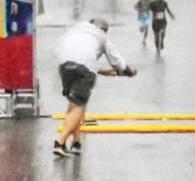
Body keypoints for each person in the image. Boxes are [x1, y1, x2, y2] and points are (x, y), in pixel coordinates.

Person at [54, 17, 137, 157]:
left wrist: (102, 70)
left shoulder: (76, 30)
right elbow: (118, 63)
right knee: (79, 105)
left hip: (64, 65)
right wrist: (129, 72)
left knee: (74, 105)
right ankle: (60, 142)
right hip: (84, 67)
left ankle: (76, 143)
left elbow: (79, 57)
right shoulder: (101, 35)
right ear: (104, 30)